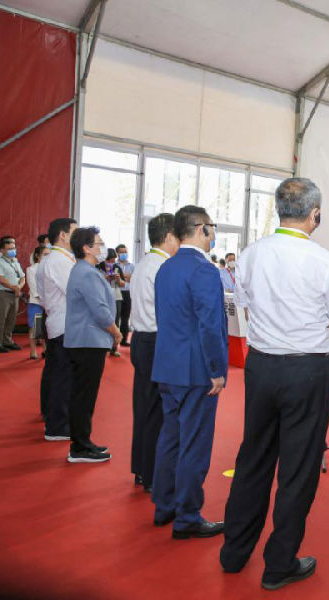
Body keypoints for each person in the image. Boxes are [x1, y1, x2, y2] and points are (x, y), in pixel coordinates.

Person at [220, 177, 329, 591]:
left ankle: (234, 552)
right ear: (315, 214)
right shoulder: (324, 261)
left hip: (261, 366)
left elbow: (243, 310)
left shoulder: (249, 255)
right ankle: (279, 563)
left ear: (280, 210)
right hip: (306, 370)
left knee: (253, 457)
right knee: (298, 468)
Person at [151, 205, 228, 539]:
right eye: (212, 227)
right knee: (194, 445)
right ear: (201, 229)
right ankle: (187, 517)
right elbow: (210, 326)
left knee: (170, 440)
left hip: (168, 367)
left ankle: (164, 505)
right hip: (196, 372)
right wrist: (216, 369)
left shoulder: (165, 268)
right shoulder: (204, 270)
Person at [129, 213, 179, 493]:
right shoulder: (162, 267)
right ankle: (151, 473)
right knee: (156, 410)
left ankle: (142, 467)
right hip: (156, 340)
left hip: (142, 339)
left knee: (144, 407)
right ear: (169, 236)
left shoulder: (144, 263)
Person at [64, 227, 120, 463]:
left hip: (86, 340)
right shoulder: (87, 273)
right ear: (86, 248)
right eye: (99, 244)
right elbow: (99, 310)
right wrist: (115, 331)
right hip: (88, 340)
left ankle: (82, 442)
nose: (102, 248)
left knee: (83, 394)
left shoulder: (84, 270)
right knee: (84, 396)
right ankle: (80, 446)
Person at [37, 217, 78, 439]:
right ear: (63, 235)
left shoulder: (52, 259)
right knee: (63, 377)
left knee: (54, 373)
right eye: (75, 232)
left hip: (57, 320)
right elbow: (75, 291)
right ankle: (58, 426)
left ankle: (50, 414)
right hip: (64, 323)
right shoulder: (59, 261)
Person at [0, 236, 25, 353]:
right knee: (0, 319)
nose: (12, 251)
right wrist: (15, 287)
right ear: (2, 250)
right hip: (2, 294)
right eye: (9, 249)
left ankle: (7, 341)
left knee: (11, 319)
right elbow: (1, 279)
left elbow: (22, 277)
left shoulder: (15, 261)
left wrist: (18, 287)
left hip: (14, 294)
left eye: (13, 248)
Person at [99, 249, 125, 356]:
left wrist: (118, 280)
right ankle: (103, 347)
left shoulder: (117, 268)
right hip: (103, 298)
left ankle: (113, 348)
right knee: (103, 321)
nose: (111, 263)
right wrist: (105, 278)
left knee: (115, 321)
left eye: (113, 260)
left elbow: (123, 284)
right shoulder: (97, 268)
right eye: (109, 260)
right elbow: (95, 282)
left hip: (116, 297)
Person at [26, 246, 50, 359]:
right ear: (37, 256)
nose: (48, 256)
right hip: (37, 303)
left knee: (46, 328)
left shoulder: (51, 268)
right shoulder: (31, 269)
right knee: (35, 328)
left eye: (49, 254)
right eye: (45, 254)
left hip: (49, 303)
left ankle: (46, 350)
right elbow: (34, 289)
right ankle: (33, 351)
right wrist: (45, 300)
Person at [116, 244, 135, 347]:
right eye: (122, 252)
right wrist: (127, 277)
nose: (124, 254)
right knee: (115, 317)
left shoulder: (131, 266)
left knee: (125, 317)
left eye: (125, 252)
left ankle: (124, 340)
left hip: (128, 293)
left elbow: (135, 278)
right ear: (117, 253)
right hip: (117, 293)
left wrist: (122, 276)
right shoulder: (114, 265)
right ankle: (113, 342)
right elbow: (115, 279)